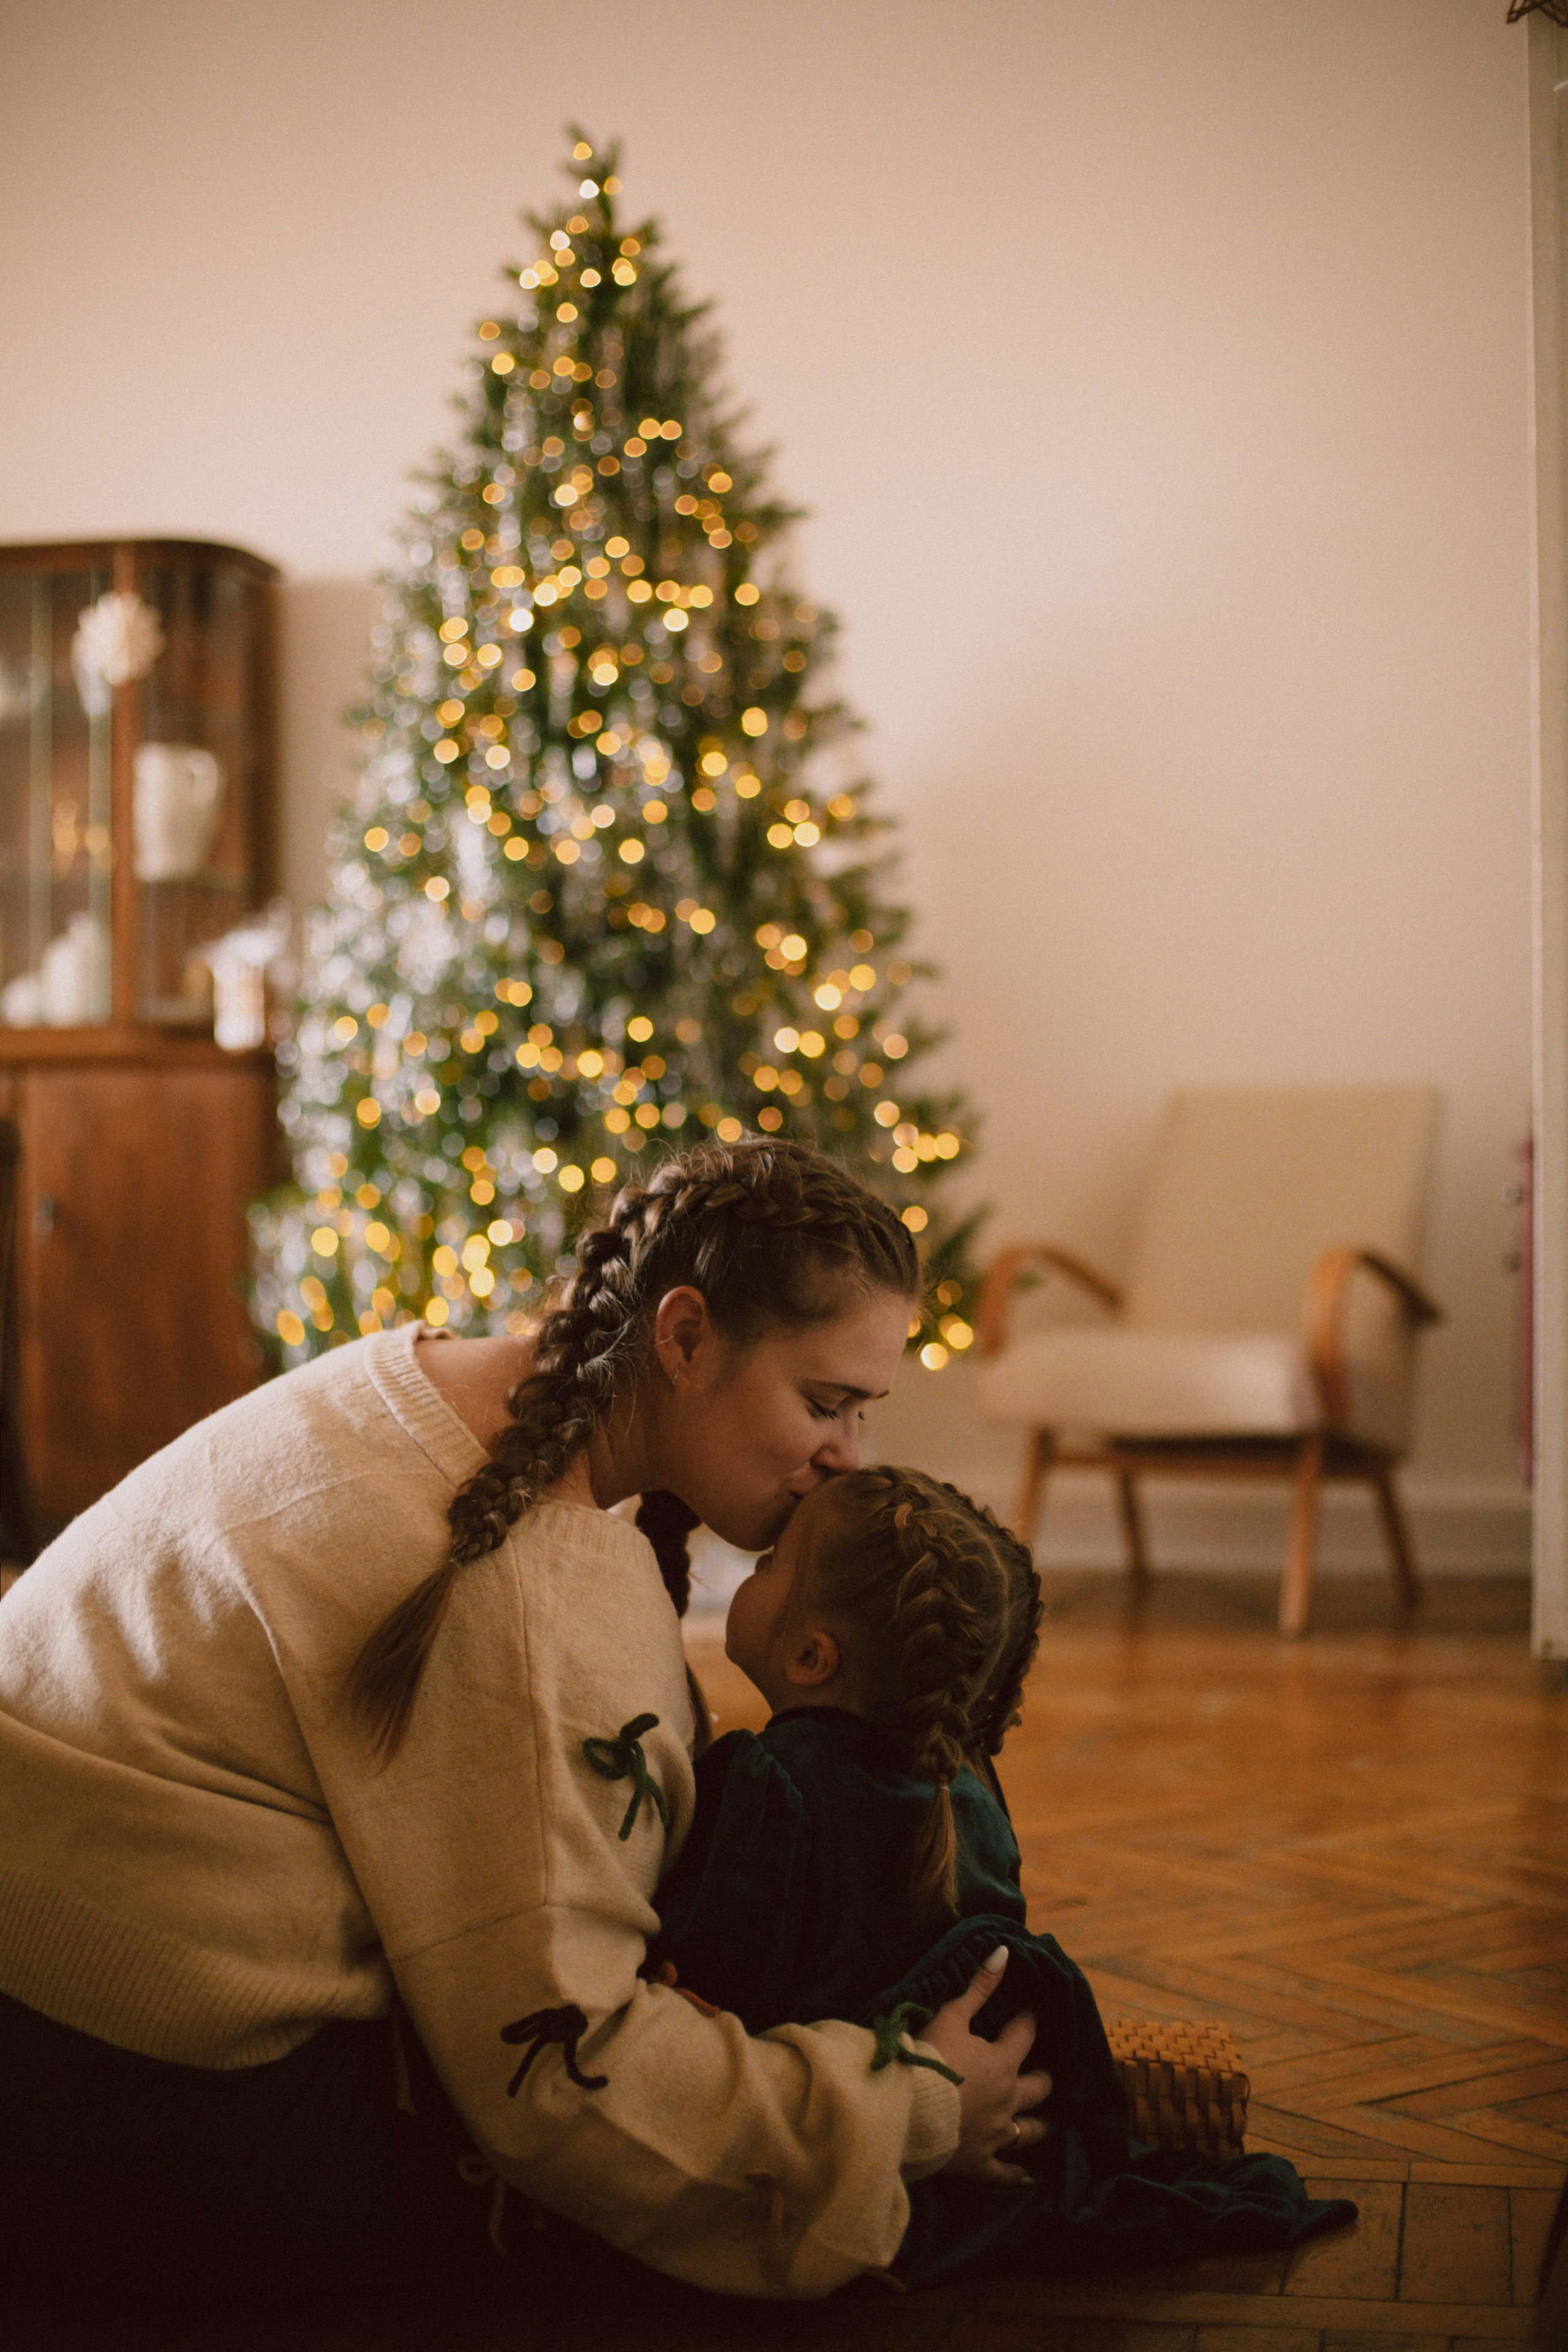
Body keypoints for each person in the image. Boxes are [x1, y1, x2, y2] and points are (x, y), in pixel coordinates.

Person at [0, 1140, 1047, 2307]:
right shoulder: (525, 1592)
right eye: (824, 1404)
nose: (847, 1458)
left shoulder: (453, 1380)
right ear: (686, 1336)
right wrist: (908, 2104)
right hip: (107, 2062)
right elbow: (562, 2073)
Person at [647, 1465, 1356, 2288]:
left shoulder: (766, 1786)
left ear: (811, 1656)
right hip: (985, 2115)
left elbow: (696, 1980)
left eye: (771, 1568)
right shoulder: (967, 1782)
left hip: (837, 2133)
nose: (755, 1568)